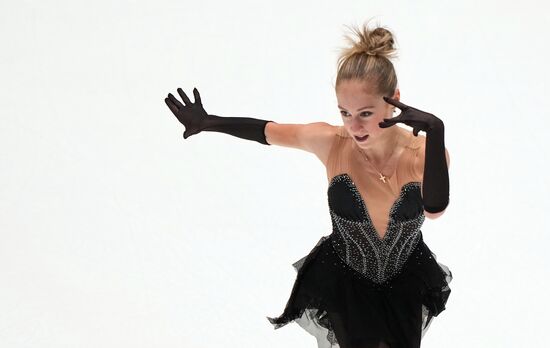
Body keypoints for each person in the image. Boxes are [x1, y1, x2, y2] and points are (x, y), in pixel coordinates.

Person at [164, 20, 452, 348]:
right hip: (347, 279)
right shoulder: (332, 142)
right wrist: (209, 122)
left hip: (404, 279)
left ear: (395, 100)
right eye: (345, 112)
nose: (354, 125)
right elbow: (267, 132)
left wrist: (436, 130)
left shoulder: (421, 153)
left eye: (366, 113)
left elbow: (435, 208)